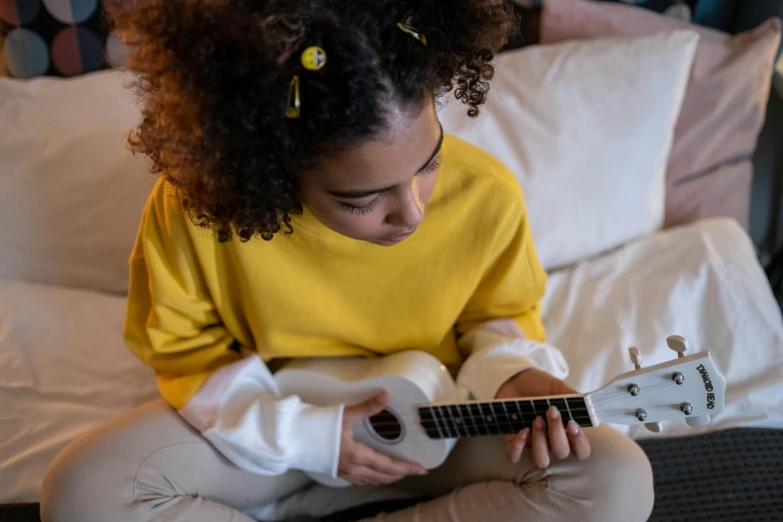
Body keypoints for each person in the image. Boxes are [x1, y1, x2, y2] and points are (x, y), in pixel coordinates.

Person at [41, 0, 654, 520]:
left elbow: (501, 315)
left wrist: (515, 374)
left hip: (434, 431)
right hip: (272, 435)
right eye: (361, 198)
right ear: (269, 170)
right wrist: (311, 439)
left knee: (615, 479)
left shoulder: (488, 195)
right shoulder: (196, 213)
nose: (412, 213)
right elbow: (184, 351)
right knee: (83, 488)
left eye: (430, 163)